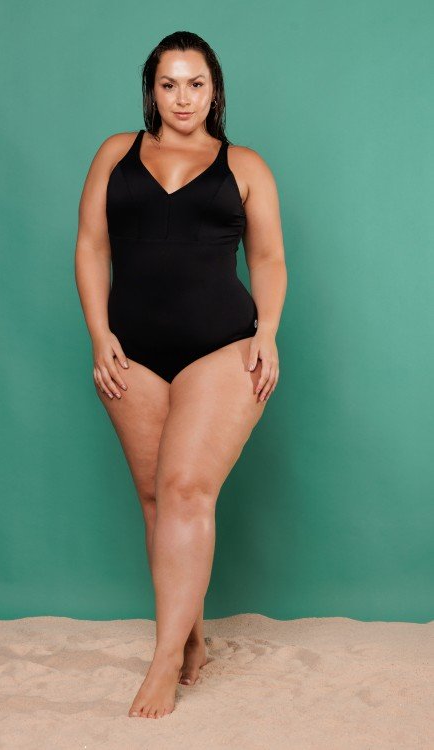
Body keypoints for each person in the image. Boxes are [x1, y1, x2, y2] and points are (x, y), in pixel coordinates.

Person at [74, 30, 287, 719]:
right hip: (131, 351)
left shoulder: (244, 165)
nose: (183, 97)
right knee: (155, 499)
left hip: (222, 347)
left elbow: (269, 258)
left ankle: (164, 660)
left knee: (186, 489)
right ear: (152, 90)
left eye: (196, 84)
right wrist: (100, 334)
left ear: (214, 90)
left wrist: (267, 332)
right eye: (169, 84)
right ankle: (189, 637)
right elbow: (91, 246)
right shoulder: (115, 153)